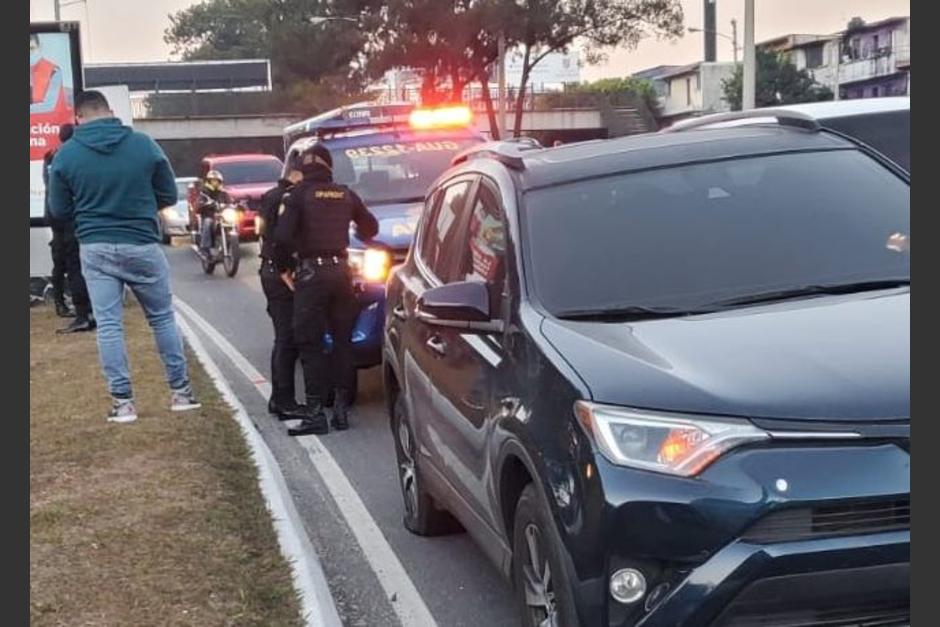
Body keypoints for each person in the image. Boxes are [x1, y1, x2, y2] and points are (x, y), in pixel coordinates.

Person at [47, 90, 201, 423]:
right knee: (161, 317)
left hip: (96, 246)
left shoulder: (67, 155)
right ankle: (181, 393)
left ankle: (123, 402)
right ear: (111, 111)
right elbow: (166, 193)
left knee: (109, 325)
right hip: (142, 243)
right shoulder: (144, 145)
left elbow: (58, 209)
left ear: (78, 118)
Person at [275, 143, 378, 436]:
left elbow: (281, 239)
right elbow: (370, 228)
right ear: (329, 167)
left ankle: (316, 413)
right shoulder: (346, 194)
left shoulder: (297, 195)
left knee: (310, 343)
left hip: (312, 275)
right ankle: (341, 411)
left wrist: (285, 268)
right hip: (342, 273)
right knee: (343, 341)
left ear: (304, 168)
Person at [259, 161, 306, 420]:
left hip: (270, 271)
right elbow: (280, 239)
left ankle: (280, 399)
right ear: (295, 175)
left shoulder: (271, 195)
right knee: (287, 339)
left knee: (285, 339)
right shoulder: (287, 198)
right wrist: (285, 270)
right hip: (280, 274)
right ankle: (284, 400)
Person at [43, 122, 94, 329]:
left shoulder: (51, 156)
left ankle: (66, 305)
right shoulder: (69, 157)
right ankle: (82, 311)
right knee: (74, 265)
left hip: (56, 217)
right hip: (68, 218)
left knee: (64, 263)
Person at [196, 170, 232, 258]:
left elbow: (230, 202)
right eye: (213, 180)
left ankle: (232, 244)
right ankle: (205, 248)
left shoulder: (223, 193)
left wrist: (237, 205)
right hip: (210, 216)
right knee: (208, 222)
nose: (215, 182)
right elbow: (199, 204)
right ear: (209, 181)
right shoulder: (204, 193)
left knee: (233, 221)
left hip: (222, 217)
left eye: (217, 181)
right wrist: (205, 204)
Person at [30, 34, 68, 117]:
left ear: (40, 47)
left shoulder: (53, 71)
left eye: (31, 48)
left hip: (51, 125)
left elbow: (49, 106)